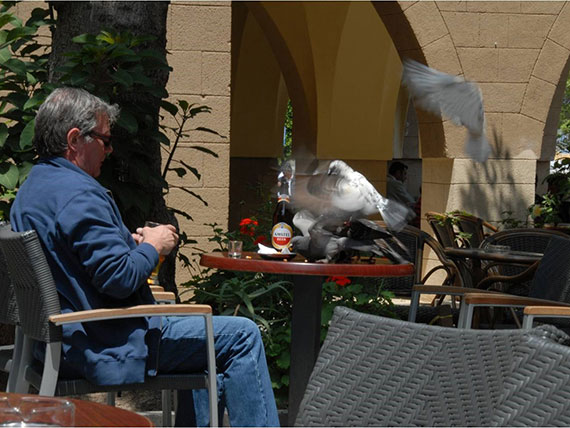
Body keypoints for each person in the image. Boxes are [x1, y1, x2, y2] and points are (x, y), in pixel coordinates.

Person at [10, 87, 279, 427]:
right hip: (102, 344)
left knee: (208, 342)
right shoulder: (78, 196)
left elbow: (83, 261)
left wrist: (132, 245)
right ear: (75, 138)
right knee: (240, 336)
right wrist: (154, 245)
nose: (110, 149)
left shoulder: (36, 185)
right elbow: (118, 280)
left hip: (68, 339)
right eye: (105, 140)